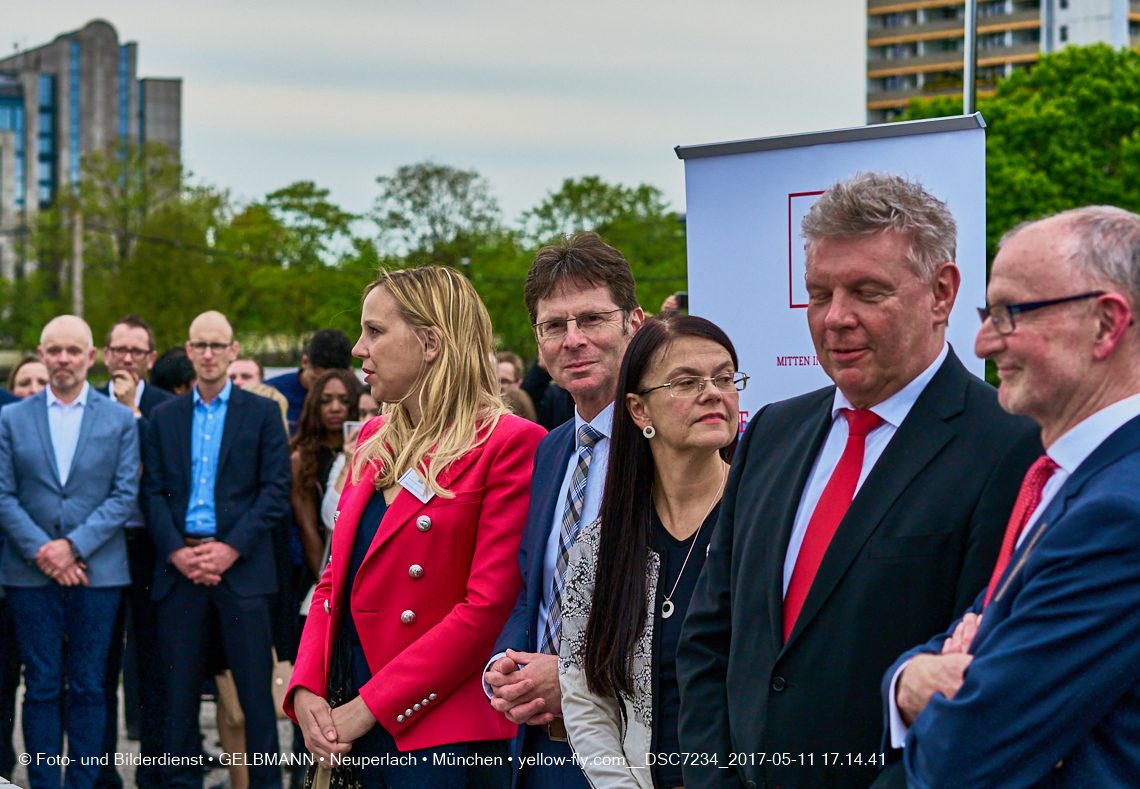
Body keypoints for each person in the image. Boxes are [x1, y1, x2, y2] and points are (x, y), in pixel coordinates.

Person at [676, 172, 1042, 789]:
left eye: (868, 292)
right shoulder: (770, 432)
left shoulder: (1011, 446)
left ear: (942, 293)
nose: (835, 318)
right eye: (819, 294)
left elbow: (978, 683)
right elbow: (712, 638)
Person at [877, 206, 1140, 789]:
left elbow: (963, 758)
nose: (981, 339)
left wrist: (930, 683)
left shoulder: (1119, 512)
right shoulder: (1070, 478)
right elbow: (972, 630)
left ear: (1106, 323)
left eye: (1009, 313)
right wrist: (909, 679)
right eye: (986, 312)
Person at [285, 265, 546, 788]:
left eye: (375, 331)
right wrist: (307, 686)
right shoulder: (375, 436)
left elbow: (486, 610)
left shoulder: (510, 442)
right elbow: (333, 580)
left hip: (440, 732)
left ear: (431, 342)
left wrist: (369, 708)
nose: (359, 349)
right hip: (348, 705)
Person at [485, 231, 645, 789]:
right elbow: (534, 588)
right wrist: (501, 669)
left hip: (634, 750)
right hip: (539, 752)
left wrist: (578, 679)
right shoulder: (548, 450)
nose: (573, 340)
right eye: (554, 325)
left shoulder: (672, 449)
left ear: (635, 323)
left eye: (592, 319)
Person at [560, 315, 744, 789]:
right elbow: (583, 695)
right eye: (687, 382)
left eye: (725, 377)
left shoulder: (762, 526)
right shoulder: (602, 546)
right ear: (640, 411)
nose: (713, 392)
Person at [142, 311, 291, 789]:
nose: (208, 354)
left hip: (242, 571)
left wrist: (229, 549)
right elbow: (153, 493)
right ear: (188, 352)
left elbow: (275, 490)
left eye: (217, 345)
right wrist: (176, 553)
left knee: (255, 702)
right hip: (181, 572)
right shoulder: (164, 417)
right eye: (199, 345)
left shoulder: (263, 412)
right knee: (178, 701)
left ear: (233, 351)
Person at [0, 315, 139, 789]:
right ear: (40, 354)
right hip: (28, 573)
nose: (63, 359)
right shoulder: (11, 419)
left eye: (73, 351)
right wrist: (44, 551)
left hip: (97, 574)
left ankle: (83, 782)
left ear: (91, 357)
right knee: (38, 687)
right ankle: (41, 781)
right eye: (54, 350)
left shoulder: (119, 419)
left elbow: (124, 495)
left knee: (88, 686)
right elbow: (3, 494)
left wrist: (72, 547)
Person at [95, 314, 174, 789]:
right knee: (98, 664)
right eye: (118, 350)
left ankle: (155, 772)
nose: (126, 359)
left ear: (149, 358)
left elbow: (164, 480)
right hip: (99, 546)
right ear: (105, 356)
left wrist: (133, 414)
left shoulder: (166, 409)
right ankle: (102, 771)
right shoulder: (84, 406)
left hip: (150, 547)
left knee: (152, 663)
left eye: (135, 352)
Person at [290, 370, 358, 578]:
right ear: (314, 407)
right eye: (326, 401)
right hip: (321, 561)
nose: (335, 408)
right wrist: (325, 578)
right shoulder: (301, 458)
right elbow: (307, 527)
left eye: (344, 401)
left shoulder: (370, 451)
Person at [265, 329, 353, 433]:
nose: (323, 390)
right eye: (317, 380)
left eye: (343, 399)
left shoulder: (358, 396)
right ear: (305, 362)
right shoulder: (271, 393)